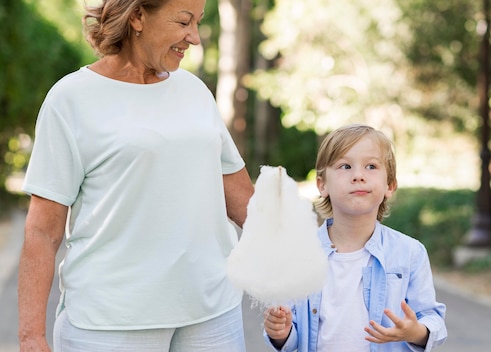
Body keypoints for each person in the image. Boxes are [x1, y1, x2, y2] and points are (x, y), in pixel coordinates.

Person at [17, 0, 254, 351]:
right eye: (184, 21)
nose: (194, 38)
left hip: (212, 314)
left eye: (198, 22)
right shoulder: (70, 99)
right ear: (138, 16)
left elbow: (244, 201)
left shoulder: (195, 92)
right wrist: (30, 336)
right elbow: (42, 230)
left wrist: (312, 256)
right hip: (109, 324)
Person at [263, 124, 447, 352]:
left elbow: (432, 318)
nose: (358, 176)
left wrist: (415, 331)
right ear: (323, 185)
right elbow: (290, 333)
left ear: (389, 185)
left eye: (371, 166)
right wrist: (281, 333)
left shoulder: (410, 253)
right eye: (345, 166)